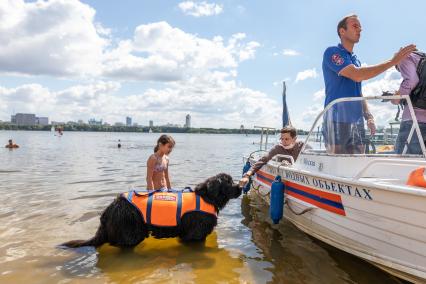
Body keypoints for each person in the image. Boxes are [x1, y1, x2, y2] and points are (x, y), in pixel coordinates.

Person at [322, 14, 416, 154]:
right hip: (336, 120)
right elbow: (357, 75)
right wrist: (392, 62)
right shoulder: (332, 52)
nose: (360, 29)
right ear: (342, 31)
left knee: (358, 165)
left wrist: (369, 116)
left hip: (357, 121)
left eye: (360, 26)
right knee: (336, 165)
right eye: (355, 26)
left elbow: (358, 93)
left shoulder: (355, 59)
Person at [239, 126, 304, 187]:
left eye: (286, 139)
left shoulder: (302, 146)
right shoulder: (278, 148)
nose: (283, 142)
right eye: (281, 139)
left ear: (294, 139)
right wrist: (247, 175)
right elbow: (263, 160)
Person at [392, 51, 426, 154]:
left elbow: (411, 80)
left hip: (413, 119)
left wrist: (397, 98)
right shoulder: (421, 58)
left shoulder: (403, 58)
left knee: (403, 162)